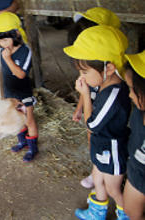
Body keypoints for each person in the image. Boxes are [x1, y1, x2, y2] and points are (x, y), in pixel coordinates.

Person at [63, 25, 131, 220]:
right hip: (102, 146)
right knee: (98, 179)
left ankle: (127, 214)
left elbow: (92, 125)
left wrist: (84, 94)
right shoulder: (103, 84)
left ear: (108, 68)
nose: (81, 78)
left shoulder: (114, 94)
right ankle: (97, 213)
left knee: (113, 188)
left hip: (113, 150)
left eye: (84, 72)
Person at [68, 7, 122, 189]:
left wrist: (84, 97)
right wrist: (79, 107)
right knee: (92, 138)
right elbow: (87, 87)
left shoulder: (107, 77)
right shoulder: (94, 71)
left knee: (95, 133)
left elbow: (92, 123)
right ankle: (96, 168)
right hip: (93, 110)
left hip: (104, 126)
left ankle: (98, 171)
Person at [0, 12, 39, 162]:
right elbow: (5, 74)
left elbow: (21, 75)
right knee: (17, 119)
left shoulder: (25, 51)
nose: (2, 44)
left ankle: (33, 148)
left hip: (24, 94)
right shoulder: (2, 51)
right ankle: (22, 142)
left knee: (29, 120)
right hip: (11, 93)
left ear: (16, 34)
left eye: (5, 39)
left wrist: (8, 58)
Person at [123, 50, 145, 220]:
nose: (129, 94)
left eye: (131, 89)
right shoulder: (138, 112)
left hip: (141, 174)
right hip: (136, 171)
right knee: (131, 211)